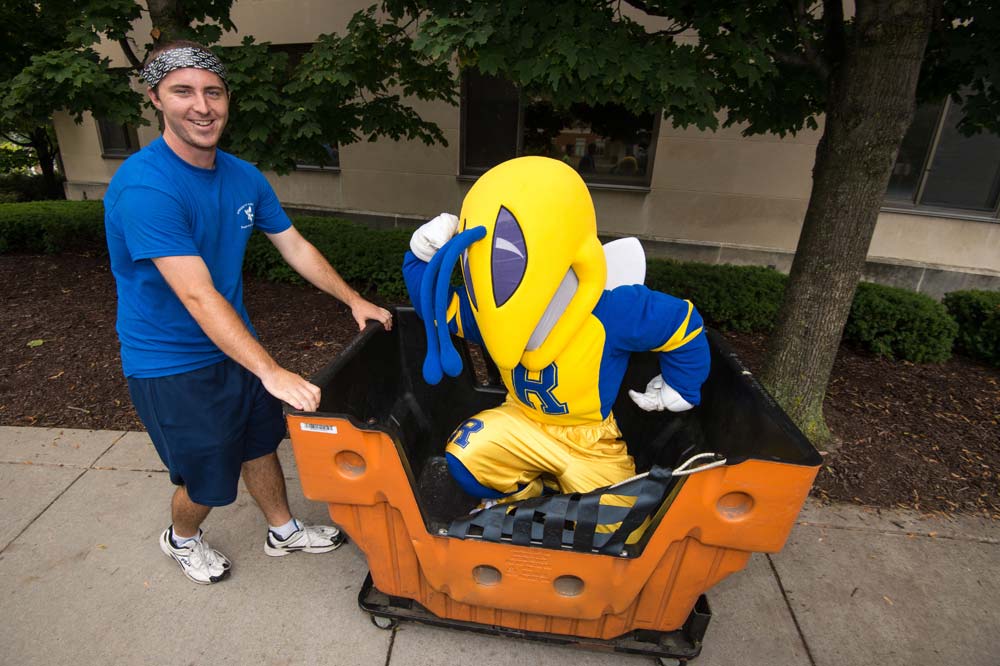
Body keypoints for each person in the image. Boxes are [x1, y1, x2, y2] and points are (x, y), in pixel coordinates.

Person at [104, 40, 393, 585]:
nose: (202, 105)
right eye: (182, 91)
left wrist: (354, 300)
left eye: (213, 91)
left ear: (227, 99)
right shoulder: (145, 186)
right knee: (209, 479)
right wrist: (272, 369)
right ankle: (181, 538)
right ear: (155, 99)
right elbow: (196, 294)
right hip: (171, 363)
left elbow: (295, 246)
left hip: (233, 345)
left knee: (260, 444)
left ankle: (282, 529)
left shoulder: (242, 176)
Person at [403, 157, 709, 536]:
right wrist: (418, 258)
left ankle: (551, 499)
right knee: (467, 459)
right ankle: (523, 498)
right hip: (523, 419)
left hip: (589, 437)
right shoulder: (491, 309)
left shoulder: (612, 309)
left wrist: (682, 382)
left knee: (619, 525)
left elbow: (681, 322)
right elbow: (435, 308)